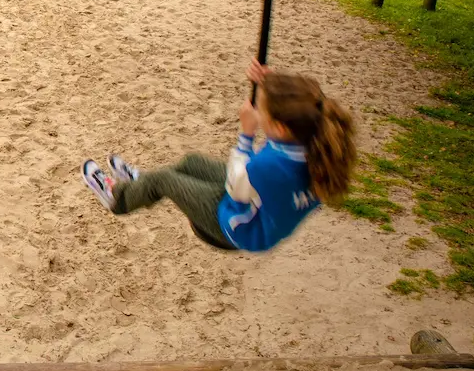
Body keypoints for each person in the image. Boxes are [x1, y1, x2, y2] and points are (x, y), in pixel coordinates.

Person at [81, 61, 356, 252]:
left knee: (165, 180)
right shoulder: (314, 138)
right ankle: (143, 184)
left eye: (262, 111)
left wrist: (246, 134)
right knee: (192, 163)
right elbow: (293, 105)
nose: (256, 112)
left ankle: (118, 198)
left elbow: (238, 181)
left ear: (281, 127)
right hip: (258, 206)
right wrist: (269, 84)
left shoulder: (270, 167)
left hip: (231, 228)